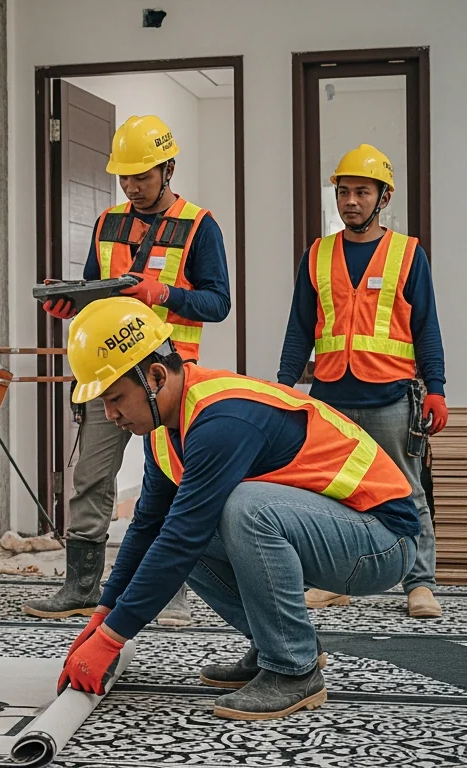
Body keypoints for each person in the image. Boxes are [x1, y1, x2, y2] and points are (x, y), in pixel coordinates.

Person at [59, 298, 417, 720]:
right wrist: (103, 615)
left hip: (382, 540)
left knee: (242, 509)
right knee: (178, 532)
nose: (111, 414)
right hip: (339, 533)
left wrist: (114, 638)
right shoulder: (163, 431)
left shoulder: (222, 418)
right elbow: (148, 530)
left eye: (115, 398)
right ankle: (277, 643)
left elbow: (184, 535)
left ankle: (293, 669)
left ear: (156, 376)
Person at [26, 115, 231, 627]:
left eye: (142, 175)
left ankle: (174, 593)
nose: (133, 187)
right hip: (109, 374)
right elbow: (98, 295)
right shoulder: (108, 222)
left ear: (168, 168)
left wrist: (159, 293)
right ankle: (79, 587)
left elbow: (218, 301)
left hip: (169, 380)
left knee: (174, 482)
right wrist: (71, 303)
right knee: (90, 477)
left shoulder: (200, 225)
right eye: (125, 177)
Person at [277, 144, 447, 619]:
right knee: (328, 491)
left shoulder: (407, 254)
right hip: (330, 394)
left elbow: (426, 327)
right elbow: (300, 327)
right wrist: (286, 384)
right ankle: (335, 581)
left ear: (383, 198)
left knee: (407, 490)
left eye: (362, 192)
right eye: (344, 191)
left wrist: (436, 387)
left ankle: (420, 583)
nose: (351, 200)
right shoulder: (318, 253)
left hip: (391, 395)